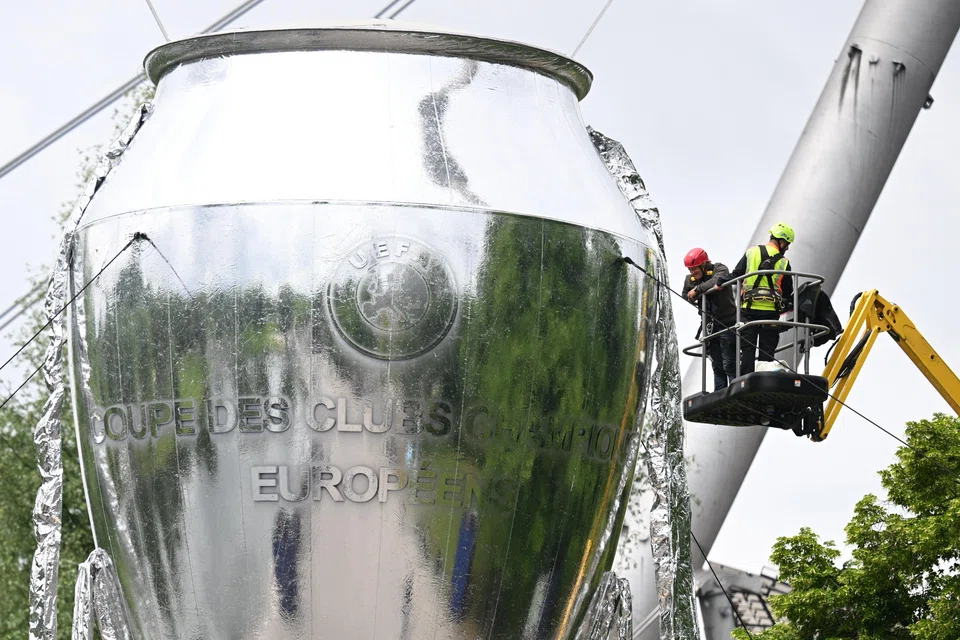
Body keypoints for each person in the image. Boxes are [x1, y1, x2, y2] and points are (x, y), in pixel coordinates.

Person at [728, 222, 795, 375]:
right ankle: (764, 380)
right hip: (770, 313)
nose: (787, 248)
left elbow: (736, 273)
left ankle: (745, 381)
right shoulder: (784, 263)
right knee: (767, 349)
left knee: (747, 348)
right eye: (787, 244)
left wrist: (720, 284)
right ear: (782, 241)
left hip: (748, 309)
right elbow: (787, 292)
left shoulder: (752, 252)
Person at [681, 247, 737, 391]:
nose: (692, 273)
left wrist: (698, 291)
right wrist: (690, 296)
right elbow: (685, 293)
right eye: (690, 270)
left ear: (704, 264)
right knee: (717, 366)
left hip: (727, 323)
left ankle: (735, 392)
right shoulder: (690, 279)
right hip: (709, 326)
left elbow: (717, 281)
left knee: (729, 363)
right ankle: (720, 395)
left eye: (695, 269)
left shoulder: (719, 269)